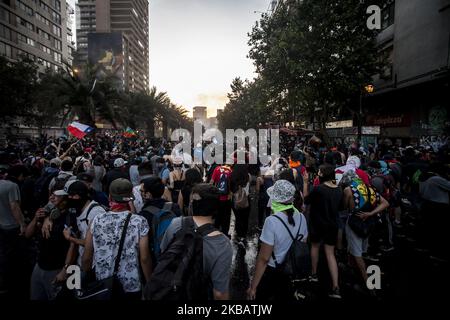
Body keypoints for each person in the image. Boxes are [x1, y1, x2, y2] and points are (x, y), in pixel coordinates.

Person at [82, 178, 152, 300]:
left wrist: (87, 273)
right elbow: (145, 258)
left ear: (110, 196)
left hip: (103, 285)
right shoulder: (139, 221)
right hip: (131, 285)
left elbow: (87, 257)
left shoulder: (97, 220)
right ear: (131, 197)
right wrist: (150, 283)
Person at [160, 184, 233, 300]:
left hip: (172, 291)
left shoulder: (176, 224)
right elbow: (219, 293)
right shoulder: (223, 244)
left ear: (191, 205)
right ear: (216, 208)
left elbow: (163, 252)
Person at [247, 180, 308, 300]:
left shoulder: (272, 221)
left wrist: (253, 287)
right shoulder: (302, 217)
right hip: (292, 271)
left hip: (273, 272)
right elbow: (302, 244)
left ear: (275, 199)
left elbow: (264, 259)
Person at [341, 170, 389, 291]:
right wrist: (370, 213)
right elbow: (385, 203)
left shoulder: (348, 190)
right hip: (369, 222)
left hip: (355, 223)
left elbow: (344, 207)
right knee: (360, 249)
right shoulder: (370, 188)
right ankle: (351, 267)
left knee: (357, 254)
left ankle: (368, 283)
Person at [25, 187, 77, 300]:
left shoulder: (71, 218)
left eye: (56, 196)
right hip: (39, 266)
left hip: (57, 270)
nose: (51, 197)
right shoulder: (45, 214)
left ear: (65, 201)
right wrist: (36, 218)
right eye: (51, 195)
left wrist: (65, 270)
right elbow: (27, 234)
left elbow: (73, 246)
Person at [303, 165, 343, 298]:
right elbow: (341, 207)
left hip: (317, 223)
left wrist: (305, 183)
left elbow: (306, 200)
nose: (318, 174)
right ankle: (335, 286)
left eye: (319, 172)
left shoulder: (319, 189)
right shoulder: (338, 189)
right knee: (330, 253)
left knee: (314, 246)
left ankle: (314, 274)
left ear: (323, 174)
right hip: (332, 225)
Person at [60, 181, 107, 267]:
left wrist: (70, 238)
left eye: (70, 196)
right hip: (81, 260)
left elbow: (95, 243)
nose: (68, 198)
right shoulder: (78, 209)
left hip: (92, 265)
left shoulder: (95, 213)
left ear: (78, 196)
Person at [138, 177, 180, 261]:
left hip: (156, 257)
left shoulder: (144, 215)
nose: (141, 193)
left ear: (148, 194)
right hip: (175, 251)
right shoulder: (174, 207)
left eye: (142, 191)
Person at [0, 165, 27, 296]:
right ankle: (12, 283)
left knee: (4, 253)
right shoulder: (12, 186)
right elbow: (14, 206)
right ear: (19, 175)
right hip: (12, 226)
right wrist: (22, 224)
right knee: (13, 256)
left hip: (1, 224)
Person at [419, 163, 450, 261]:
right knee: (439, 231)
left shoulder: (424, 177)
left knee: (429, 228)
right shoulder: (436, 179)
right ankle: (438, 253)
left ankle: (427, 248)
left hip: (427, 204)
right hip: (438, 206)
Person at [230, 164, 250, 247]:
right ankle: (244, 236)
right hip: (246, 201)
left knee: (238, 218)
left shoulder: (232, 177)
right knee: (245, 219)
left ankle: (239, 235)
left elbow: (231, 190)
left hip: (235, 201)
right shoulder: (248, 176)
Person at [211, 163, 232, 236]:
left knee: (218, 215)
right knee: (226, 217)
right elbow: (231, 184)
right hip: (227, 198)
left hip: (218, 197)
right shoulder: (230, 170)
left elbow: (212, 182)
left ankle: (216, 232)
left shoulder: (216, 169)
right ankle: (225, 233)